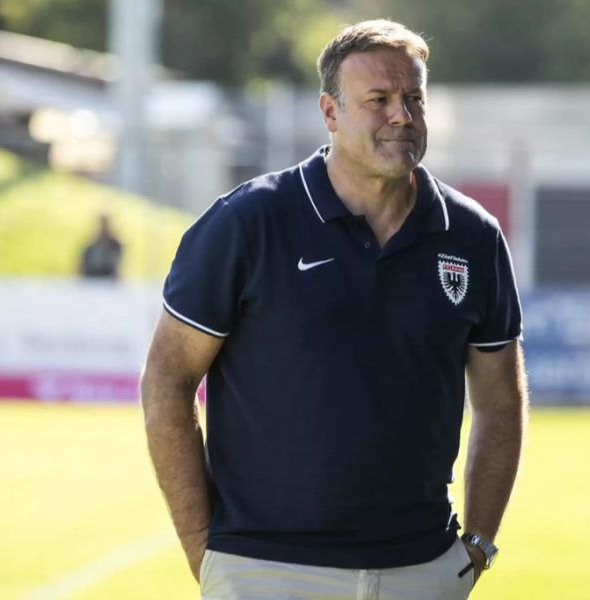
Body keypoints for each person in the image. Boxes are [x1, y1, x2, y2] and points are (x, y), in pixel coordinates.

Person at [141, 19, 528, 600]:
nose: (401, 114)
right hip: (266, 571)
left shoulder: (472, 235)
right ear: (330, 112)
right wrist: (209, 554)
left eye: (413, 98)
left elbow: (501, 401)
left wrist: (477, 545)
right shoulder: (248, 223)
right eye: (379, 100)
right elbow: (167, 381)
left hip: (421, 570)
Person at [79, 214, 123, 279]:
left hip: (109, 281)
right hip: (91, 281)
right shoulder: (90, 247)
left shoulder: (115, 246)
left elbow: (116, 267)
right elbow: (82, 267)